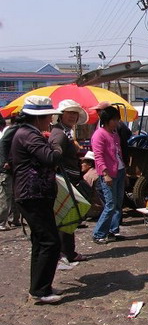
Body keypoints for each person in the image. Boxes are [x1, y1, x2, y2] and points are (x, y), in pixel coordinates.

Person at [9, 96, 63, 303]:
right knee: (50, 241)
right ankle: (41, 290)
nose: (50, 119)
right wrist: (57, 146)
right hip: (33, 194)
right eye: (48, 115)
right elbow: (50, 158)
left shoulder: (27, 133)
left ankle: (40, 286)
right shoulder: (29, 135)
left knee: (40, 242)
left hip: (33, 193)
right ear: (39, 117)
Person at [49, 99, 90, 267]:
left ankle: (68, 252)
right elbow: (54, 153)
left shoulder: (66, 132)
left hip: (70, 177)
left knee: (70, 215)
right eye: (69, 113)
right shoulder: (59, 133)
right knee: (66, 216)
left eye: (75, 113)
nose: (73, 116)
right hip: (64, 179)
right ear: (61, 115)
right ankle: (64, 253)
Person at [91, 105, 126, 244]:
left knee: (117, 204)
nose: (117, 122)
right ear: (108, 120)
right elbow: (98, 157)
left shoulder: (114, 133)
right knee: (110, 204)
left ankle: (113, 230)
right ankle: (98, 233)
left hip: (120, 171)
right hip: (109, 173)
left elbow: (118, 153)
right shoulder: (99, 134)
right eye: (115, 120)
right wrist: (105, 173)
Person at [80, 151, 103, 220]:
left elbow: (85, 195)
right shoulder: (98, 173)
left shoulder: (88, 176)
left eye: (83, 162)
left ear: (89, 164)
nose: (81, 164)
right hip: (101, 206)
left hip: (95, 209)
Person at [0, 115, 10, 230]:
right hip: (4, 168)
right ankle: (1, 221)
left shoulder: (6, 132)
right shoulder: (6, 133)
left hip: (6, 168)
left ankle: (13, 218)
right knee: (4, 194)